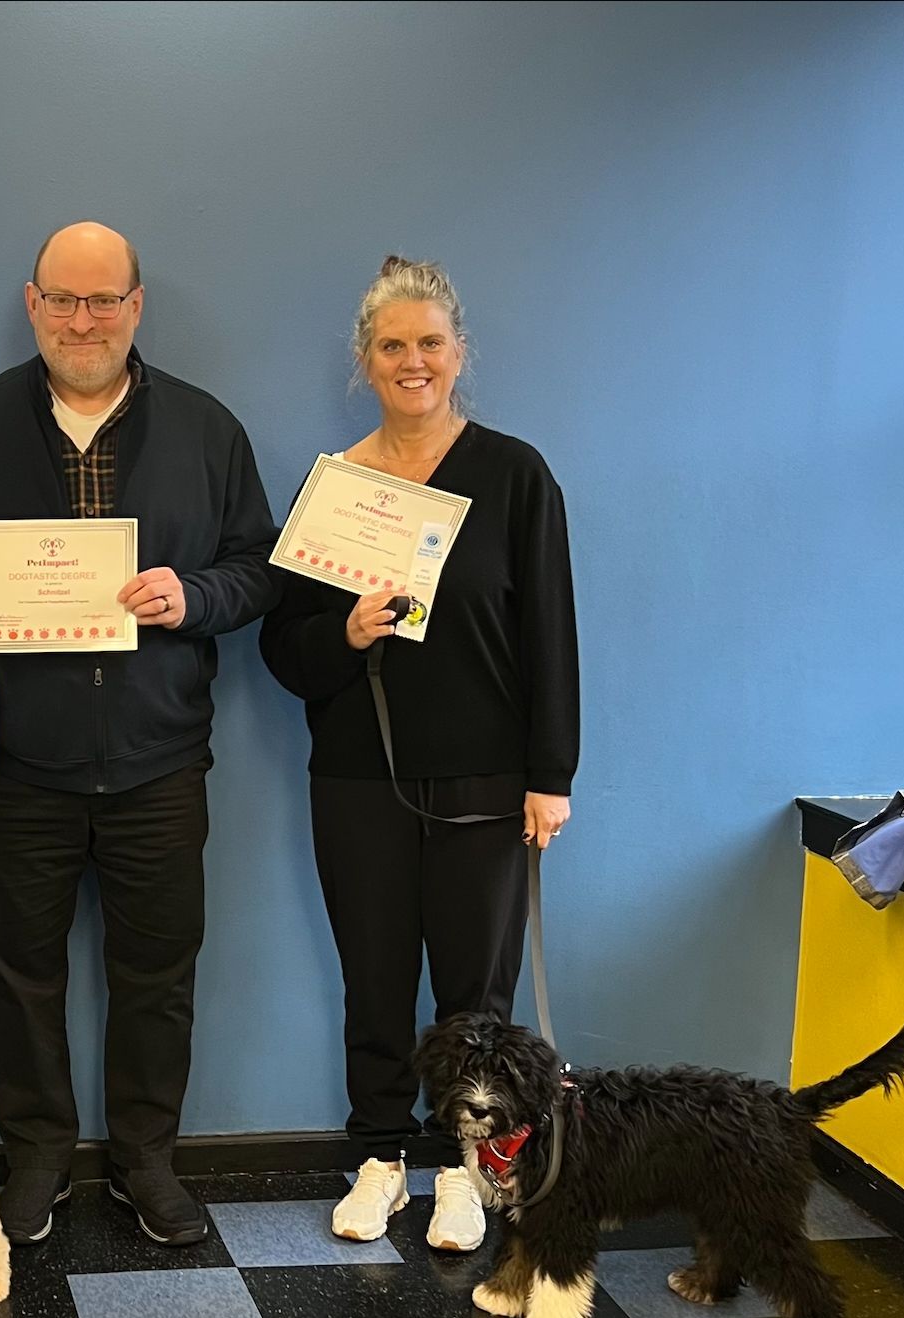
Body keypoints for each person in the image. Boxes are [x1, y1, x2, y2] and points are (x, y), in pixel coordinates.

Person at [0, 221, 276, 1248]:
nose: (83, 320)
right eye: (63, 301)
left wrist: (192, 593)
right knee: (19, 971)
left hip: (160, 760)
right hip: (18, 764)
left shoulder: (207, 431)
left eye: (102, 300)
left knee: (158, 973)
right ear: (31, 305)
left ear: (136, 305)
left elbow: (258, 565)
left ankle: (144, 1160)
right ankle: (35, 1160)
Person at [260, 256, 580, 1251]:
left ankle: (464, 1168)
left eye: (429, 343)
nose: (412, 362)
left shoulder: (514, 473)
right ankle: (378, 1159)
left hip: (488, 776)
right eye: (392, 346)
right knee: (373, 975)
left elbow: (550, 635)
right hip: (359, 778)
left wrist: (550, 774)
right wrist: (342, 635)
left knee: (473, 992)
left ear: (458, 353)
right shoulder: (337, 488)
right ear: (365, 361)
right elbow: (282, 648)